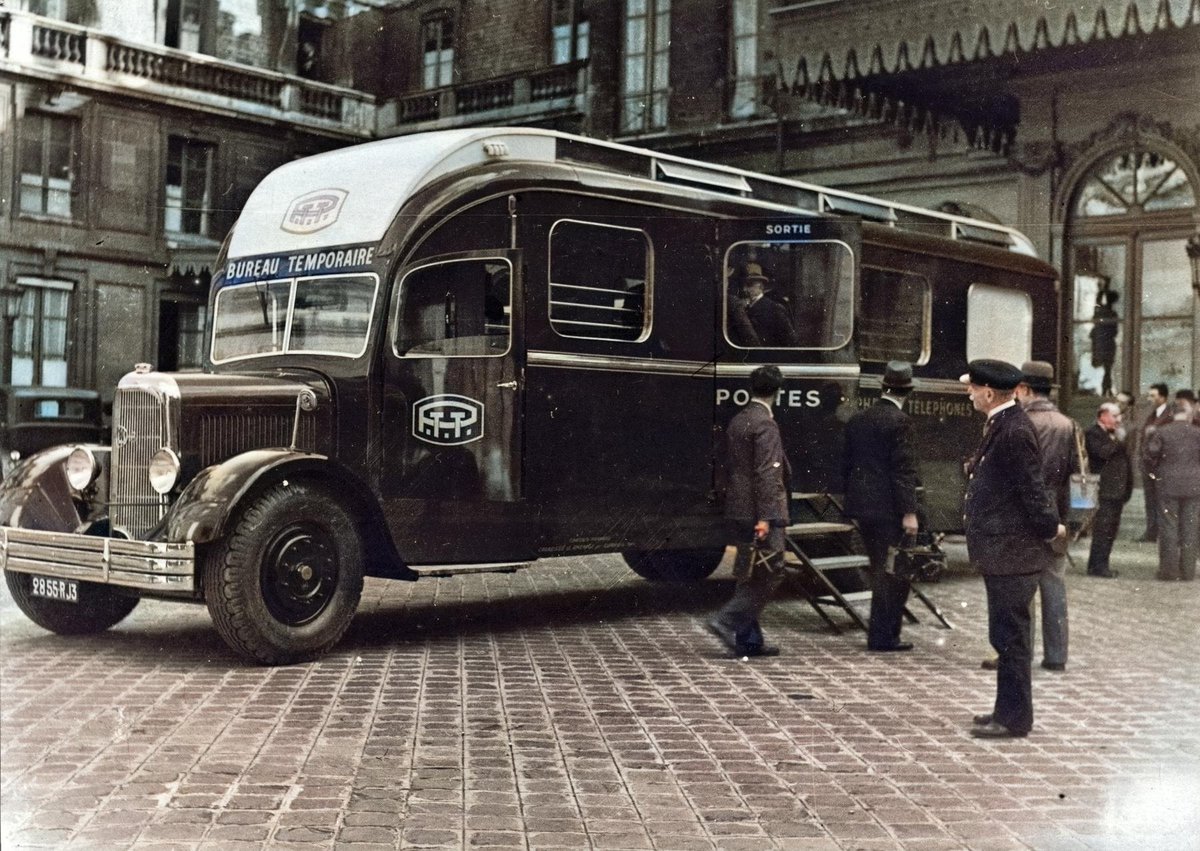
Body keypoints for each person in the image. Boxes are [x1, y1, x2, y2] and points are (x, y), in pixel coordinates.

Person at [961, 359, 1064, 739]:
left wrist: (1050, 529)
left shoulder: (1014, 430)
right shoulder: (1002, 423)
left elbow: (1033, 490)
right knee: (1005, 636)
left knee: (1012, 638)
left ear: (989, 393)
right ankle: (1004, 710)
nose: (969, 393)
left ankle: (1014, 719)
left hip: (1013, 551)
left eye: (972, 388)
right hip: (1002, 550)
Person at [709, 365, 792, 657]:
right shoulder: (766, 424)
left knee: (749, 571)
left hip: (739, 508)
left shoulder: (739, 420)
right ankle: (726, 620)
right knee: (771, 572)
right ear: (777, 392)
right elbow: (767, 474)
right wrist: (766, 517)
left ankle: (750, 641)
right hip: (760, 512)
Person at [842, 360, 920, 652]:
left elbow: (847, 466)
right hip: (890, 510)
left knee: (878, 569)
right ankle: (885, 637)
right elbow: (903, 471)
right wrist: (910, 512)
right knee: (894, 573)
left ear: (883, 387)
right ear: (907, 392)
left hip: (862, 507)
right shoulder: (902, 423)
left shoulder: (858, 419)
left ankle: (880, 635)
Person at [1013, 360, 1075, 671]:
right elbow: (1077, 475)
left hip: (1021, 517)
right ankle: (1056, 655)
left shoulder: (1018, 423)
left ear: (1024, 389)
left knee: (1019, 589)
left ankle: (1018, 653)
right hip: (1056, 516)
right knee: (1054, 586)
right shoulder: (1067, 424)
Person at [1145, 392, 1200, 581]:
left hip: (1167, 484)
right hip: (1194, 486)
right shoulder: (1197, 433)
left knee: (1169, 527)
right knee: (1190, 528)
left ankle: (1169, 571)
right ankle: (1188, 571)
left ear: (1172, 414)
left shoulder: (1162, 432)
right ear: (1187, 413)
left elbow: (1150, 455)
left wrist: (1157, 471)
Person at [1085, 401, 1132, 578]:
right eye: (1115, 416)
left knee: (1111, 530)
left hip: (1117, 491)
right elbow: (1102, 453)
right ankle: (1097, 566)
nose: (1118, 420)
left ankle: (1102, 564)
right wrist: (1119, 440)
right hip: (1104, 490)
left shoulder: (1113, 435)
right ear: (1103, 416)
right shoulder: (1093, 433)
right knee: (1103, 530)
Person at [1138, 383, 1172, 542]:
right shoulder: (1152, 415)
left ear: (1163, 397)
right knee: (1150, 500)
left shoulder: (1168, 416)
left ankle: (1158, 533)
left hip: (1160, 466)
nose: (1149, 398)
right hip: (1148, 466)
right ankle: (1151, 532)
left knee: (1160, 500)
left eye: (1153, 395)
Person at [740, 263, 796, 347]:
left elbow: (790, 340)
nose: (744, 289)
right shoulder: (744, 307)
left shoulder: (774, 308)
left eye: (749, 285)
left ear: (761, 286)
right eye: (744, 285)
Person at [1088, 289, 1119, 397]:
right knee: (1107, 368)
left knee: (1105, 368)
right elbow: (1115, 331)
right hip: (1107, 343)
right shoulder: (1112, 313)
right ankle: (1107, 388)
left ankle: (1106, 388)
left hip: (1100, 343)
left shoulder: (1099, 312)